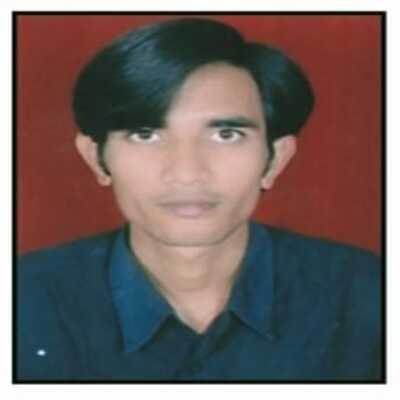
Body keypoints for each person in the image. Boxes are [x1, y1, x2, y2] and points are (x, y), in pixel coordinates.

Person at [17, 18, 381, 381]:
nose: (187, 173)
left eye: (226, 134)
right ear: (97, 159)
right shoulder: (20, 301)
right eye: (145, 134)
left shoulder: (372, 296)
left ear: (275, 160)